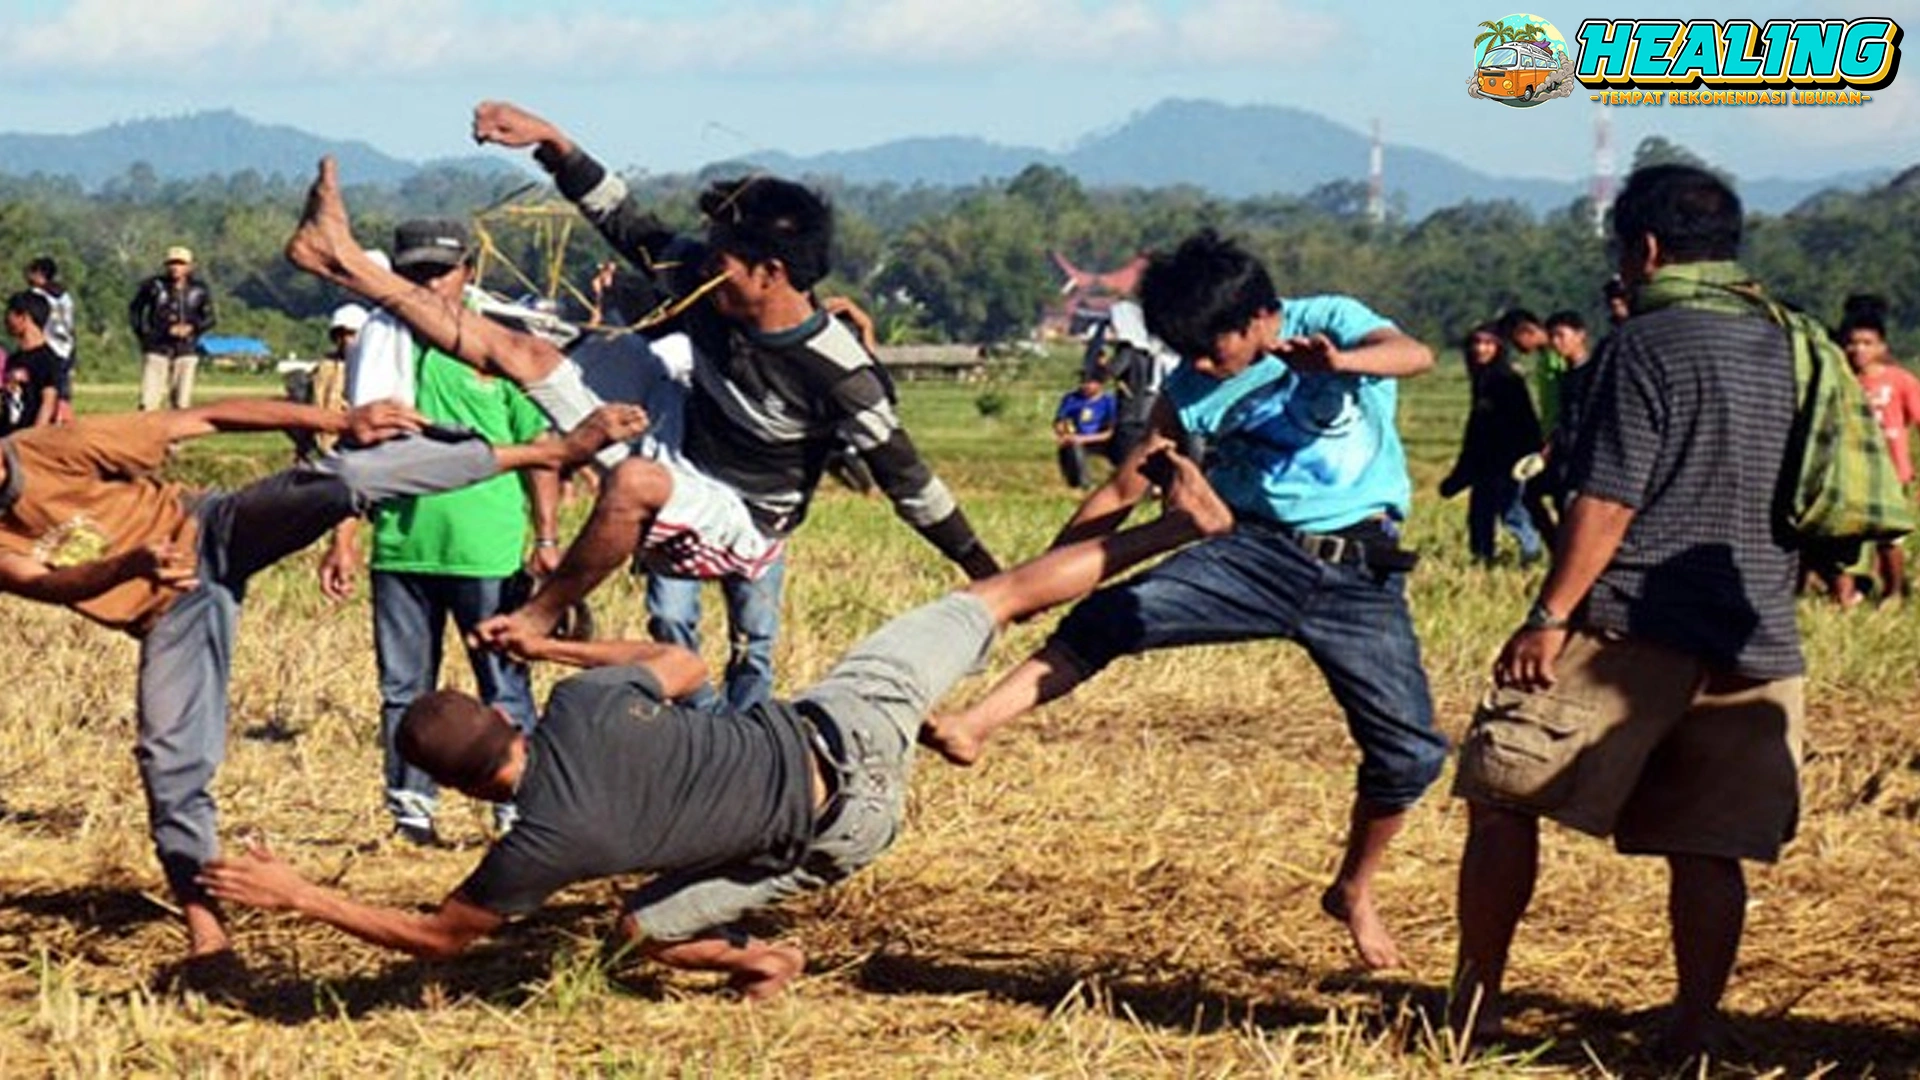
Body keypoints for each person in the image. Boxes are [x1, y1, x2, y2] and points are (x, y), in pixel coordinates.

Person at [197, 447, 1234, 998]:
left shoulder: (537, 852)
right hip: (841, 722)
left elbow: (436, 938)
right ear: (499, 718)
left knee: (635, 930)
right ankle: (1182, 527)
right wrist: (555, 648)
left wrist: (297, 893)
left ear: (470, 791)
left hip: (845, 831)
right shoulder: (584, 708)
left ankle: (757, 960)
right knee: (999, 598)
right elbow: (683, 661)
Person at [923, 229, 1447, 971]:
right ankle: (974, 725)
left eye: (1212, 348)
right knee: (1109, 618)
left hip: (1361, 572)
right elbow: (1120, 487)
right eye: (1188, 353)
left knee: (1410, 754)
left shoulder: (1328, 319)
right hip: (1254, 553)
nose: (1202, 366)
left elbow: (1414, 354)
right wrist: (1041, 575)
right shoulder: (1191, 391)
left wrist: (1341, 362)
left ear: (1261, 317)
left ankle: (1354, 888)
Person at [0, 387, 644, 965]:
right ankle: (208, 934)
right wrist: (128, 566)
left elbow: (205, 415)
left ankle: (545, 453)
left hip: (211, 526)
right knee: (169, 759)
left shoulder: (46, 451)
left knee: (340, 480)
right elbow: (50, 582)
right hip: (170, 612)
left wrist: (344, 418)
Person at [1450, 165, 1807, 1061]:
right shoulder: (1797, 346)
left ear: (1644, 251)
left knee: (1501, 796)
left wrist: (1547, 613)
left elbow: (1605, 502)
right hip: (1758, 630)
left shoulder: (1642, 347)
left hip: (1631, 624)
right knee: (1711, 843)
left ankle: (1476, 1003)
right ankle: (1692, 1024)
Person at [319, 220, 561, 845]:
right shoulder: (382, 341)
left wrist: (548, 538)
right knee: (404, 688)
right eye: (417, 274)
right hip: (403, 542)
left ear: (469, 272)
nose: (430, 285)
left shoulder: (499, 346)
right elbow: (358, 448)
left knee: (503, 683)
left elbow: (539, 449)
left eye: (441, 272)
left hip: (487, 547)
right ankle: (410, 810)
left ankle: (516, 806)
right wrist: (344, 537)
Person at [1836, 295, 1919, 602]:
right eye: (1852, 343)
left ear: (1882, 346)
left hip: (1892, 473)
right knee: (1847, 538)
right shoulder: (1843, 382)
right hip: (1853, 471)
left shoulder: (1900, 381)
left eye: (1867, 343)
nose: (1859, 350)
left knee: (1889, 538)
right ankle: (1845, 596)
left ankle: (1894, 593)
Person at [1439, 326, 1546, 565]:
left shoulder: (1506, 379)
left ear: (1499, 347)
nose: (1480, 349)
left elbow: (1524, 420)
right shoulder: (1482, 378)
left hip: (1508, 457)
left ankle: (1531, 554)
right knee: (1481, 514)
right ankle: (1482, 558)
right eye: (1476, 343)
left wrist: (1527, 456)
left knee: (1512, 512)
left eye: (1488, 343)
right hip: (1485, 458)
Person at [130, 246, 216, 411]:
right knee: (148, 401)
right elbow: (136, 310)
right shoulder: (154, 286)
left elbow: (210, 318)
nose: (176, 267)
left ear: (189, 266)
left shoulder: (199, 290)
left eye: (180, 263)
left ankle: (176, 437)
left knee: (182, 403)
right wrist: (145, 335)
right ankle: (148, 435)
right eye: (172, 263)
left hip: (186, 349)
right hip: (157, 347)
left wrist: (191, 328)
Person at [1537, 310, 1597, 518]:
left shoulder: (1594, 372)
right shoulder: (1567, 374)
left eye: (1561, 335)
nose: (1556, 342)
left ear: (1581, 335)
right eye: (1552, 336)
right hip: (1565, 453)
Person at [2, 292, 63, 434]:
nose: (6, 320)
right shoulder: (14, 359)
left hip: (28, 443)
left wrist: (33, 440)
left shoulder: (48, 360)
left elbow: (47, 404)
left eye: (10, 314)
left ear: (24, 317)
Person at [24, 257, 76, 421]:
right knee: (62, 394)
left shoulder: (35, 295)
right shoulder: (65, 296)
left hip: (46, 348)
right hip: (66, 348)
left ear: (40, 274)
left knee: (42, 394)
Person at [1052, 371, 1116, 490]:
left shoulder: (1109, 401)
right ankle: (1080, 483)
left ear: (1100, 384)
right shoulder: (1071, 398)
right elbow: (1059, 421)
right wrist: (1063, 432)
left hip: (1100, 440)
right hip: (1076, 438)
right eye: (1082, 382)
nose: (1084, 386)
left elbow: (1110, 432)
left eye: (1089, 382)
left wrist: (1083, 439)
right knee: (1072, 447)